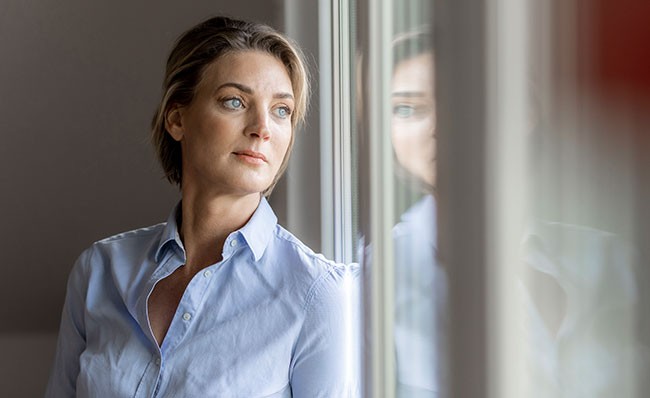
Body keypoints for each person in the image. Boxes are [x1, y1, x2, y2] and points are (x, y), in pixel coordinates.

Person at [45, 16, 357, 397]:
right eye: (235, 101)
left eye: (281, 110)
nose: (263, 127)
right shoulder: (99, 271)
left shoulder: (316, 294)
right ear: (177, 118)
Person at [390, 30, 448, 397]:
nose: (439, 129)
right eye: (407, 109)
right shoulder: (375, 276)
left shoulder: (615, 257)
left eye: (461, 102)